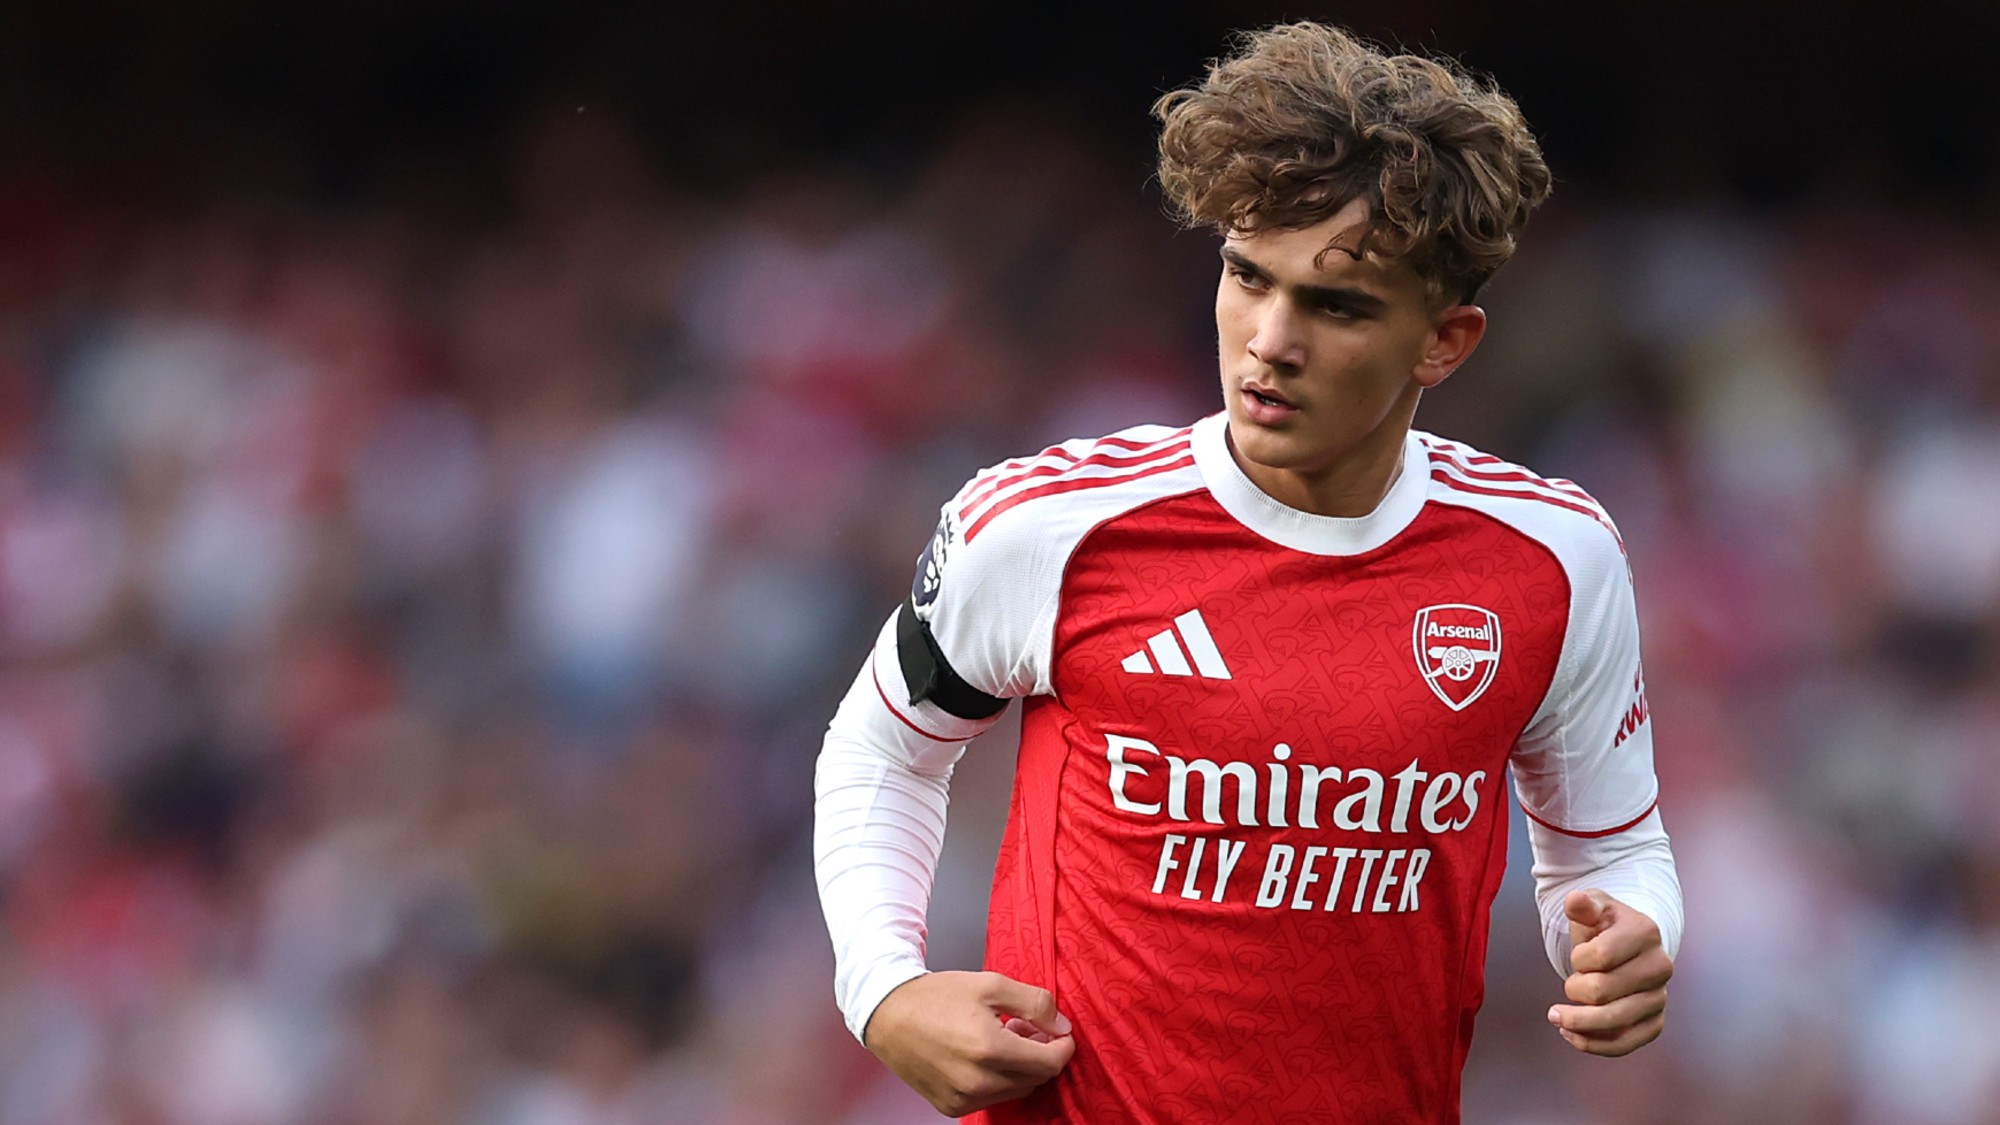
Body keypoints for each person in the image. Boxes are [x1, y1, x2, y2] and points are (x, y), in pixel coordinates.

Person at [814, 20, 1682, 1123]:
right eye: (1245, 276)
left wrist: (1629, 937)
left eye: (1335, 305)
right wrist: (884, 989)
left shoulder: (1551, 560)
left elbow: (1608, 847)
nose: (1268, 339)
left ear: (1443, 342)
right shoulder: (1050, 524)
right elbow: (883, 748)